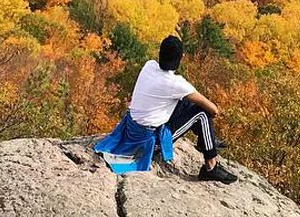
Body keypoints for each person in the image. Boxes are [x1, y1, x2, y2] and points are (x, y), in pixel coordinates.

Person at [95, 36, 237, 183]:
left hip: (131, 128)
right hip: (149, 140)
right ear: (181, 57)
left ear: (160, 52)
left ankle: (206, 142)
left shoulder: (149, 66)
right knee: (202, 114)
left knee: (185, 102)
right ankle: (210, 168)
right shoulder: (176, 84)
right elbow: (214, 110)